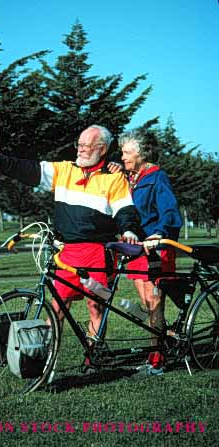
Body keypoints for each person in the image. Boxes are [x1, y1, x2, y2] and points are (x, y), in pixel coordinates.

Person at [0, 125, 143, 342]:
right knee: (57, 307)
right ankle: (46, 359)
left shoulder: (114, 177)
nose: (80, 150)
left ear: (102, 149)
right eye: (78, 144)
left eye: (86, 146)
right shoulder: (65, 170)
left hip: (97, 253)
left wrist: (129, 229)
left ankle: (93, 357)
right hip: (67, 252)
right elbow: (30, 169)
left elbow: (124, 209)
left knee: (95, 307)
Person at [109, 128, 182, 374]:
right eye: (122, 151)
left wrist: (159, 233)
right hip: (136, 250)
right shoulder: (131, 177)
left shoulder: (156, 176)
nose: (123, 156)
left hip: (155, 249)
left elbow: (169, 211)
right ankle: (162, 344)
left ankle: (157, 362)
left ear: (143, 153)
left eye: (127, 152)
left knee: (154, 303)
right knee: (146, 305)